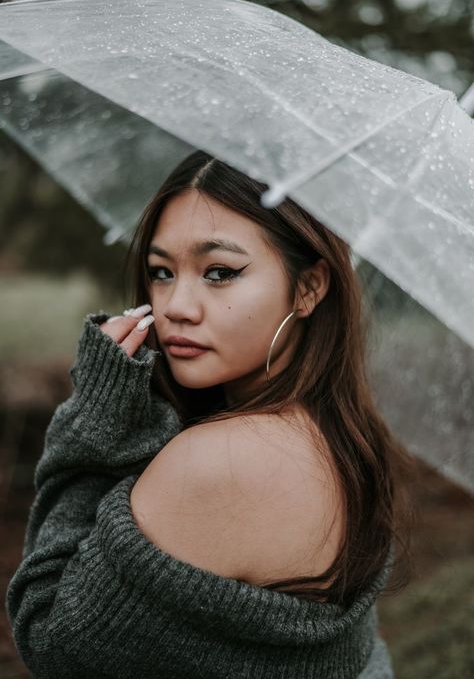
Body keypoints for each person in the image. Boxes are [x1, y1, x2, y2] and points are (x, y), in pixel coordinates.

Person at [6, 150, 412, 678]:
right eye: (161, 271)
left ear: (310, 287)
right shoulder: (338, 433)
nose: (177, 305)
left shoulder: (221, 460)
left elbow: (50, 638)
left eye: (219, 272)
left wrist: (94, 418)